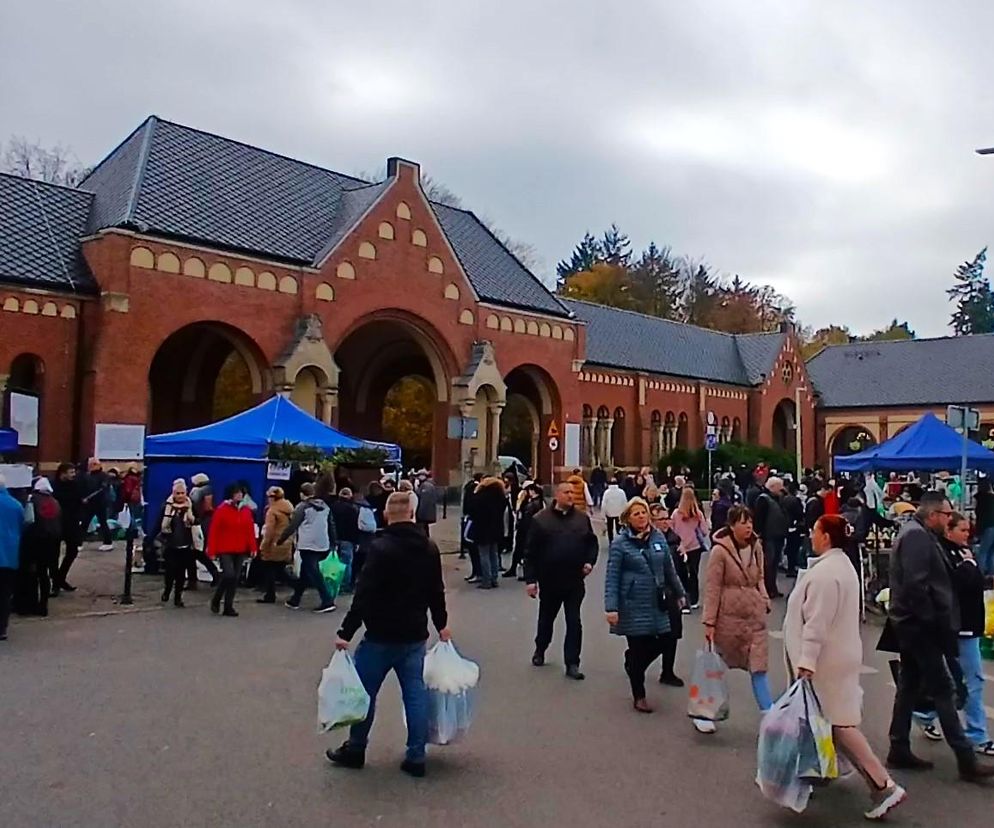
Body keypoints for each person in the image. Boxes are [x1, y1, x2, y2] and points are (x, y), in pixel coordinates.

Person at [783, 514, 906, 820]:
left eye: (815, 531)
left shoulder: (826, 574)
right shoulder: (840, 567)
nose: (811, 536)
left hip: (826, 661)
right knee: (829, 721)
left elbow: (817, 623)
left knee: (838, 724)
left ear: (826, 536)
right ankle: (823, 771)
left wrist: (806, 662)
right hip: (838, 656)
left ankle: (883, 784)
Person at [328, 491, 450, 778]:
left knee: (364, 694)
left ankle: (356, 748)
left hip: (380, 634)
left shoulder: (379, 548)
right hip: (414, 634)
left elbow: (365, 594)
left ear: (386, 515)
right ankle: (416, 756)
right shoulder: (429, 548)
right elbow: (436, 590)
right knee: (415, 694)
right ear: (412, 514)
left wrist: (346, 631)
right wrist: (442, 624)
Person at [886, 491, 994, 781]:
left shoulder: (919, 533)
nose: (949, 519)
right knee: (944, 690)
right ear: (932, 514)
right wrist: (932, 622)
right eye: (947, 515)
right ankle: (965, 759)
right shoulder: (917, 537)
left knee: (908, 686)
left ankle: (898, 745)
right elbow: (916, 585)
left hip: (914, 624)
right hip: (920, 626)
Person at [913, 511, 994, 755]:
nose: (967, 535)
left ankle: (925, 712)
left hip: (970, 625)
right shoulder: (947, 555)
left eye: (968, 531)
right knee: (972, 680)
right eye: (963, 530)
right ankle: (977, 734)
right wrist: (970, 565)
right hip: (961, 627)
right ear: (949, 531)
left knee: (957, 681)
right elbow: (953, 584)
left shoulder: (961, 552)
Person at [605, 498, 686, 712]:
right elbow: (612, 576)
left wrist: (680, 593)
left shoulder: (657, 538)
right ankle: (639, 695)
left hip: (657, 601)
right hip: (632, 603)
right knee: (639, 646)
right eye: (636, 513)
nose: (641, 517)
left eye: (643, 512)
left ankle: (632, 663)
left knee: (667, 638)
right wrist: (611, 607)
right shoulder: (621, 543)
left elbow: (669, 569)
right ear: (628, 519)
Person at [696, 505, 771, 734]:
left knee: (758, 666)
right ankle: (704, 712)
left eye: (750, 521)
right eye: (742, 522)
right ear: (731, 526)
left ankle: (770, 714)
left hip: (754, 616)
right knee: (715, 666)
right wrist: (709, 621)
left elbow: (760, 577)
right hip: (728, 617)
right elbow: (712, 587)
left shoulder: (757, 546)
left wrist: (764, 597)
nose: (748, 526)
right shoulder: (720, 552)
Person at [524, 482, 598, 680]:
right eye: (566, 492)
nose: (571, 495)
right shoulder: (541, 520)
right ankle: (541, 647)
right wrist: (531, 580)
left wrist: (590, 562)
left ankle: (572, 662)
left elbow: (591, 543)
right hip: (550, 580)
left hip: (574, 580)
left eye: (573, 492)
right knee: (547, 619)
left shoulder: (582, 519)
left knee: (574, 621)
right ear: (557, 495)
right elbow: (530, 552)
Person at [279, 482, 338, 613]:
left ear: (302, 494)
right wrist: (334, 542)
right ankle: (295, 599)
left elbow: (293, 525)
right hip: (323, 543)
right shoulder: (325, 507)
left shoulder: (302, 507)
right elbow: (331, 525)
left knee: (314, 573)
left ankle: (327, 600)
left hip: (308, 544)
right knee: (306, 572)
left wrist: (281, 539)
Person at [206, 484, 258, 617]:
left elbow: (250, 531)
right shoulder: (222, 510)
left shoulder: (246, 511)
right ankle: (217, 599)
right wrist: (211, 550)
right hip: (225, 548)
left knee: (234, 578)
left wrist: (253, 547)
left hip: (241, 548)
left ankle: (228, 606)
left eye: (241, 493)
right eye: (237, 493)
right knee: (228, 574)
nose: (240, 495)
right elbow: (214, 531)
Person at [649, 504, 686, 686]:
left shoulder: (674, 539)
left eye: (666, 518)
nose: (665, 523)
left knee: (673, 634)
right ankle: (634, 661)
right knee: (650, 637)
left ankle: (667, 671)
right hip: (650, 594)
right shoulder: (647, 540)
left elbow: (677, 571)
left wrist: (681, 594)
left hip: (670, 593)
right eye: (661, 519)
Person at [23, 478, 62, 617]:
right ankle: (44, 605)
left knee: (33, 573)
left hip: (36, 540)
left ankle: (31, 604)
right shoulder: (55, 501)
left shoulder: (32, 499)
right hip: (52, 541)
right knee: (44, 573)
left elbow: (28, 520)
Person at [671, 487, 710, 611]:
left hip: (680, 546)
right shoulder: (698, 514)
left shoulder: (676, 514)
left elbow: (671, 529)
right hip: (695, 547)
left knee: (680, 573)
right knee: (693, 574)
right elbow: (704, 531)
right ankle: (694, 599)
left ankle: (683, 598)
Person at [160, 479, 196, 608]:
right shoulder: (167, 507)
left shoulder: (190, 506)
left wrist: (190, 517)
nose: (180, 496)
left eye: (182, 493)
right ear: (173, 493)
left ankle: (178, 597)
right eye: (178, 493)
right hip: (171, 545)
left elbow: (195, 522)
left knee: (181, 574)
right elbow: (160, 525)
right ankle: (167, 590)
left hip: (185, 545)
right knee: (170, 572)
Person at [466, 476, 507, 590]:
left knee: (484, 555)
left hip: (482, 528)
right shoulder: (501, 497)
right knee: (494, 554)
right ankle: (494, 578)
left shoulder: (480, 497)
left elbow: (471, 510)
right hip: (496, 529)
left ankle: (486, 580)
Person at [257, 486, 294, 604]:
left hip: (274, 543)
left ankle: (270, 595)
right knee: (280, 569)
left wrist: (263, 546)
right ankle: (298, 585)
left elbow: (269, 531)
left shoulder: (272, 511)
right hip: (286, 542)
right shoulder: (289, 509)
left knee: (270, 569)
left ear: (272, 498)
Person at [753, 477, 788, 599]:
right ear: (773, 487)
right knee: (768, 563)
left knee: (774, 564)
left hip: (777, 535)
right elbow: (759, 518)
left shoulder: (776, 499)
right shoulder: (763, 500)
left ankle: (772, 587)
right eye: (780, 487)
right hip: (768, 536)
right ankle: (767, 588)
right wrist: (759, 535)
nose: (782, 489)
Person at [0, 475, 25, 641]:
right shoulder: (16, 505)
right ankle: (2, 628)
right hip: (9, 556)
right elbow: (23, 526)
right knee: (4, 593)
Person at [52, 463, 82, 593]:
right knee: (53, 554)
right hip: (57, 523)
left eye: (74, 472)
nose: (73, 475)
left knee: (72, 551)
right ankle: (55, 582)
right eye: (71, 472)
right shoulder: (54, 486)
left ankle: (60, 578)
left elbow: (78, 500)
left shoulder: (75, 485)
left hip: (72, 523)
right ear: (62, 473)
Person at [504, 482, 544, 579]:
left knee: (525, 551)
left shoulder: (534, 504)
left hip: (526, 529)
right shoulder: (532, 501)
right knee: (520, 550)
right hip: (525, 529)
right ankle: (515, 569)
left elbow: (527, 516)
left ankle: (525, 573)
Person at [188, 472, 220, 589]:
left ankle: (196, 579)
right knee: (195, 552)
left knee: (195, 552)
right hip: (202, 522)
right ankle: (212, 573)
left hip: (199, 523)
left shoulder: (201, 491)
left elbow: (207, 507)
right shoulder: (206, 490)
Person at [331, 487, 360, 595]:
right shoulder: (353, 509)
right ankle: (345, 586)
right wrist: (356, 541)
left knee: (334, 562)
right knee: (346, 563)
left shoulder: (333, 507)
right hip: (348, 539)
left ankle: (333, 583)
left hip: (334, 538)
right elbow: (355, 527)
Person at [80, 458, 113, 551]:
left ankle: (108, 542)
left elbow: (101, 489)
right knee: (85, 523)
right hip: (90, 503)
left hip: (100, 503)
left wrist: (88, 497)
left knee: (102, 522)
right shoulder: (89, 475)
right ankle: (78, 542)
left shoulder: (103, 476)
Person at [118, 465, 143, 570]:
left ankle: (132, 531)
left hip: (131, 499)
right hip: (137, 499)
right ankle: (135, 529)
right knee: (135, 515)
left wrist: (126, 498)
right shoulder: (138, 478)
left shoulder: (129, 478)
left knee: (131, 515)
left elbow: (127, 490)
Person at [781, 480, 804, 578]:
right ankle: (791, 568)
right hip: (794, 527)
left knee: (788, 548)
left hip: (785, 526)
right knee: (793, 549)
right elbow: (799, 514)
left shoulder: (782, 499)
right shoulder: (796, 500)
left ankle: (788, 566)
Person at [975, 479, 994, 575]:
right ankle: (992, 575)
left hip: (987, 527)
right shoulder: (992, 498)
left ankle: (980, 575)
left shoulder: (980, 499)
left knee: (983, 552)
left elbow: (980, 516)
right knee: (991, 553)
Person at [601, 478, 628, 543]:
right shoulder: (621, 492)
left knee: (610, 528)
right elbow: (625, 502)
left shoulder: (607, 492)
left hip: (609, 513)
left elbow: (603, 504)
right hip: (619, 513)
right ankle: (619, 540)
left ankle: (611, 541)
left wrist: (603, 515)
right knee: (619, 528)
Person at [414, 470, 439, 537]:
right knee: (424, 529)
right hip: (425, 514)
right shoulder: (425, 485)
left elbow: (424, 502)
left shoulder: (426, 486)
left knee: (423, 529)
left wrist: (419, 514)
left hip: (424, 514)